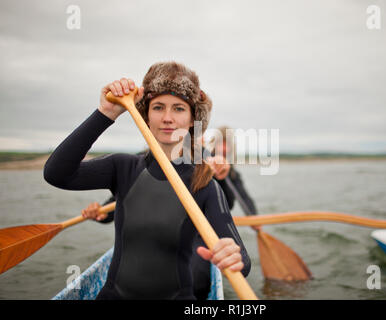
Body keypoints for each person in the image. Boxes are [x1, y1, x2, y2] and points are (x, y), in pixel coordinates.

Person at [44, 61, 251, 300]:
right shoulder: (123, 167)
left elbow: (243, 263)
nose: (167, 118)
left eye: (179, 109)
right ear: (146, 116)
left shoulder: (205, 184)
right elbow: (56, 174)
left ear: (193, 119)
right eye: (158, 107)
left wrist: (233, 256)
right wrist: (106, 114)